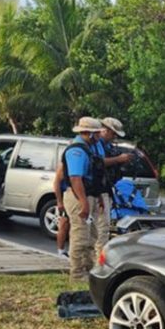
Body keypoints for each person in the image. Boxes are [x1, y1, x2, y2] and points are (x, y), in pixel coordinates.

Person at [61, 117, 106, 280]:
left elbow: (94, 176)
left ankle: (89, 268)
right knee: (80, 235)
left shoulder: (89, 148)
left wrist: (98, 197)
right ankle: (77, 273)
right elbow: (75, 178)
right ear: (89, 133)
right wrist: (83, 203)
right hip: (79, 196)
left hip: (90, 195)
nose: (100, 136)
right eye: (97, 133)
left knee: (92, 235)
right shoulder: (77, 151)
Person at [94, 118, 135, 254]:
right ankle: (98, 257)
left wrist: (121, 161)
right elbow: (98, 163)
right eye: (113, 134)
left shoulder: (108, 146)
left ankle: (98, 255)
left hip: (106, 189)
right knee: (101, 227)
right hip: (98, 190)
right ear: (105, 130)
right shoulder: (96, 145)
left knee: (103, 226)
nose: (114, 137)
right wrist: (118, 159)